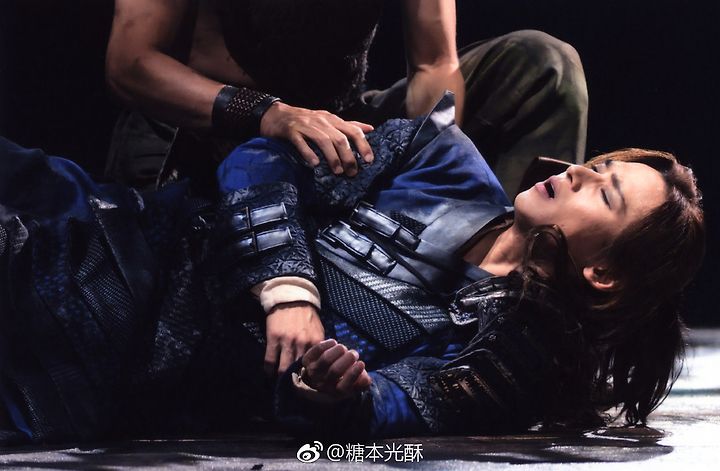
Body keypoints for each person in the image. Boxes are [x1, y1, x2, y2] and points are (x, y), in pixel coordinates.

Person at [0, 99, 703, 443]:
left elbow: (390, 421)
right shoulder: (441, 156)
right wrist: (289, 286)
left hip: (110, 355)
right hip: (123, 225)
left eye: (604, 194)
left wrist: (336, 398)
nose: (578, 172)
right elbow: (263, 157)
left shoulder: (509, 360)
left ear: (603, 273)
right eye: (598, 165)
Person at [104, 0, 588, 195]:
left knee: (543, 66)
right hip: (201, 133)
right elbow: (132, 62)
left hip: (339, 125)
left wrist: (436, 163)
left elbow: (433, 64)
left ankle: (522, 288)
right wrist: (270, 115)